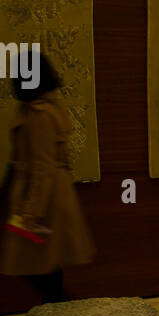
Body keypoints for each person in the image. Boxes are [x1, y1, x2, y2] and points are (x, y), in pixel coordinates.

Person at [0, 54, 94, 302]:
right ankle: (58, 308)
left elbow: (42, 169)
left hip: (43, 199)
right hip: (47, 195)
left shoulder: (39, 114)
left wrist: (31, 212)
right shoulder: (44, 108)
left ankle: (60, 307)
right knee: (43, 261)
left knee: (35, 260)